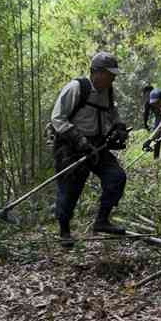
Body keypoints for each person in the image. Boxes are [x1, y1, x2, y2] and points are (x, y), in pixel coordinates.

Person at [51, 51, 129, 247]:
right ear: (96, 72)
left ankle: (102, 220)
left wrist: (119, 127)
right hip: (71, 144)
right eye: (109, 74)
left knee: (116, 177)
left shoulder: (108, 91)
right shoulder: (76, 88)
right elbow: (57, 118)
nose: (112, 78)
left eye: (113, 75)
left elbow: (113, 113)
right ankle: (64, 232)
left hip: (98, 144)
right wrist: (79, 140)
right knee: (70, 188)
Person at [143, 83, 161, 159]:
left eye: (148, 93)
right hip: (158, 117)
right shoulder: (148, 101)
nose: (147, 95)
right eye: (146, 94)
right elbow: (146, 113)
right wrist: (145, 124)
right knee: (157, 135)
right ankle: (156, 156)